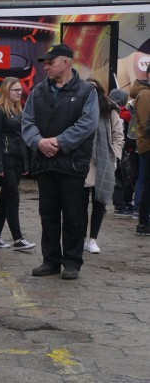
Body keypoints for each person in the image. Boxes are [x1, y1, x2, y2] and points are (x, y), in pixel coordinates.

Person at [21, 43, 99, 279]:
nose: (46, 67)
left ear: (65, 63)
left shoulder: (86, 91)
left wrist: (58, 142)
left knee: (74, 216)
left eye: (50, 62)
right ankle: (51, 261)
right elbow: (27, 122)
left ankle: (72, 263)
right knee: (48, 215)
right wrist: (38, 142)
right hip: (45, 164)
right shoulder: (38, 91)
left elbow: (88, 124)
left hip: (72, 165)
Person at [0, 77, 35, 251]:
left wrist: (25, 163)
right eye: (15, 90)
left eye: (20, 89)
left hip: (16, 159)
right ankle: (18, 239)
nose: (19, 92)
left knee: (5, 199)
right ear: (6, 91)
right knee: (13, 198)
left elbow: (21, 139)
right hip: (5, 160)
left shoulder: (18, 111)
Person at [82, 79, 124, 253]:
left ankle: (93, 239)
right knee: (80, 204)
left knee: (99, 202)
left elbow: (118, 135)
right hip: (83, 162)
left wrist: (114, 155)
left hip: (103, 161)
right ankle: (81, 237)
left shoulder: (109, 109)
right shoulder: (79, 108)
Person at [110, 89, 137, 216]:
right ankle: (120, 205)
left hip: (117, 148)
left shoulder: (109, 112)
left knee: (121, 177)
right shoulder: (125, 114)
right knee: (122, 178)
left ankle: (124, 202)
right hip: (123, 149)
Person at [131, 61, 150, 234]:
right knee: (146, 182)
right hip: (148, 145)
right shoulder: (145, 94)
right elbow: (145, 123)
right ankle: (144, 222)